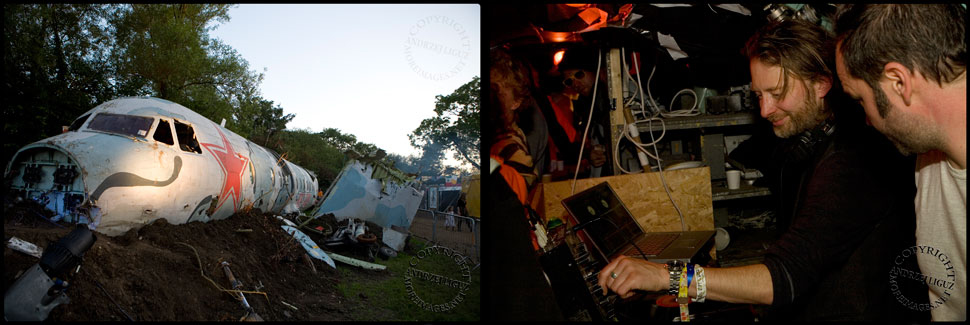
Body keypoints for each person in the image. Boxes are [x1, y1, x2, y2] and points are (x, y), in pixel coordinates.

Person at [597, 19, 927, 321]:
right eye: (758, 95)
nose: (766, 110)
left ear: (822, 84)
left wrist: (667, 277)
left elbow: (781, 278)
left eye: (777, 93)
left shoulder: (851, 164)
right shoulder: (810, 146)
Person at [833, 5, 966, 321]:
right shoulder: (930, 153)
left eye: (861, 99)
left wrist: (688, 283)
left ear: (898, 81)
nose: (866, 119)